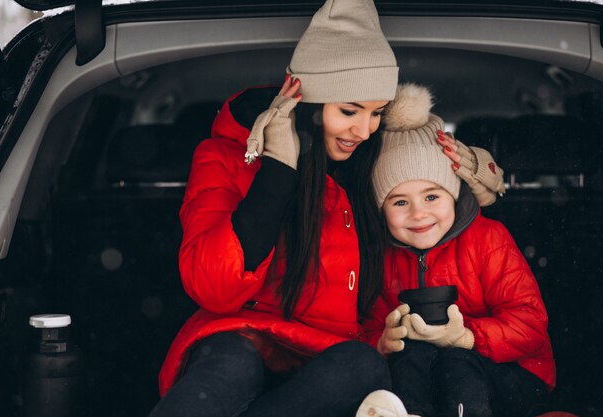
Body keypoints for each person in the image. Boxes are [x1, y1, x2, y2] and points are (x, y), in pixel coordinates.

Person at [150, 0, 504, 415]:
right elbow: (214, 288)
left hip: (332, 355)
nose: (363, 129)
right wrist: (279, 169)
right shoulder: (224, 157)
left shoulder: (372, 159)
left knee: (361, 365)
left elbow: (429, 174)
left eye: (376, 113)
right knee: (232, 363)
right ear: (310, 102)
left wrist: (480, 172)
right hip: (242, 336)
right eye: (349, 111)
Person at [361, 84, 555, 417]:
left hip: (518, 374)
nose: (418, 213)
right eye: (400, 202)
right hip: (434, 375)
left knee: (455, 360)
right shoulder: (382, 254)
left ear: (453, 194)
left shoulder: (487, 238)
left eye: (431, 196)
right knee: (407, 358)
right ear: (382, 209)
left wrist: (467, 337)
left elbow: (531, 324)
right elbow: (369, 322)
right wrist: (382, 341)